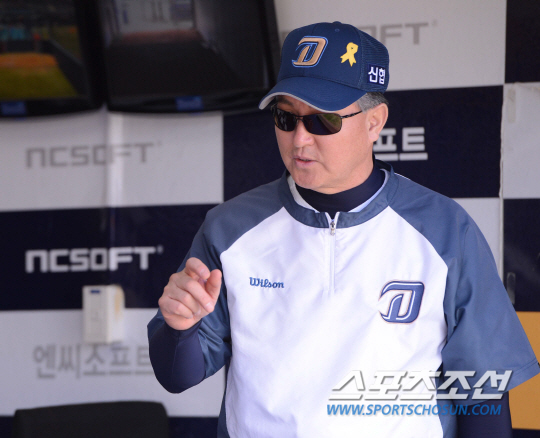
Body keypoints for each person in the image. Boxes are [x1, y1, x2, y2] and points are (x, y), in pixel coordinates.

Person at [148, 21, 539, 437]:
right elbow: (177, 376)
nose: (300, 139)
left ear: (374, 122)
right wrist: (179, 327)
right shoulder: (229, 228)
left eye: (323, 121)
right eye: (286, 117)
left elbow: (482, 392)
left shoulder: (445, 229)